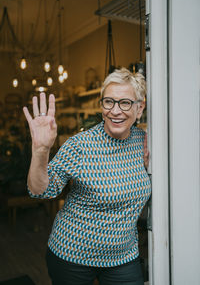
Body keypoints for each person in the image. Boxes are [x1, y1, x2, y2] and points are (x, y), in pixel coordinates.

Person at [23, 67, 151, 285]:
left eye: (125, 103)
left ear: (139, 108)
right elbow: (40, 191)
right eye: (108, 102)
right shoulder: (80, 145)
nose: (115, 110)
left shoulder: (147, 142)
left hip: (123, 258)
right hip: (73, 257)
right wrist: (41, 150)